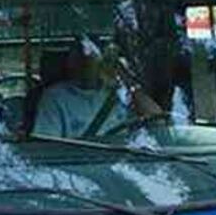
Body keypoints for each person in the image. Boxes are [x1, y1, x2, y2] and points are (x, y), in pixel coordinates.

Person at [33, 36, 161, 139]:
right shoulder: (55, 98)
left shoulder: (118, 94)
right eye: (81, 55)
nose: (87, 61)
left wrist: (125, 78)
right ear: (70, 61)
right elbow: (48, 146)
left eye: (93, 56)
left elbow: (157, 120)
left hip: (123, 160)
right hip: (80, 162)